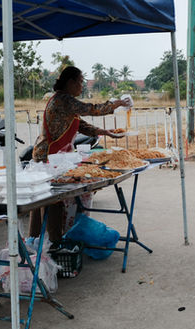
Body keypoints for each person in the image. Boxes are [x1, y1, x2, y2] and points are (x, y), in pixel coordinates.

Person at [29, 66, 130, 242]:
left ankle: (41, 241)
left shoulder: (66, 102)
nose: (82, 86)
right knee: (50, 200)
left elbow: (81, 125)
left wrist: (105, 132)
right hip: (47, 157)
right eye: (80, 82)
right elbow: (91, 109)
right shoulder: (63, 100)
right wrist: (116, 104)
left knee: (47, 199)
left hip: (55, 157)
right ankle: (50, 242)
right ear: (70, 82)